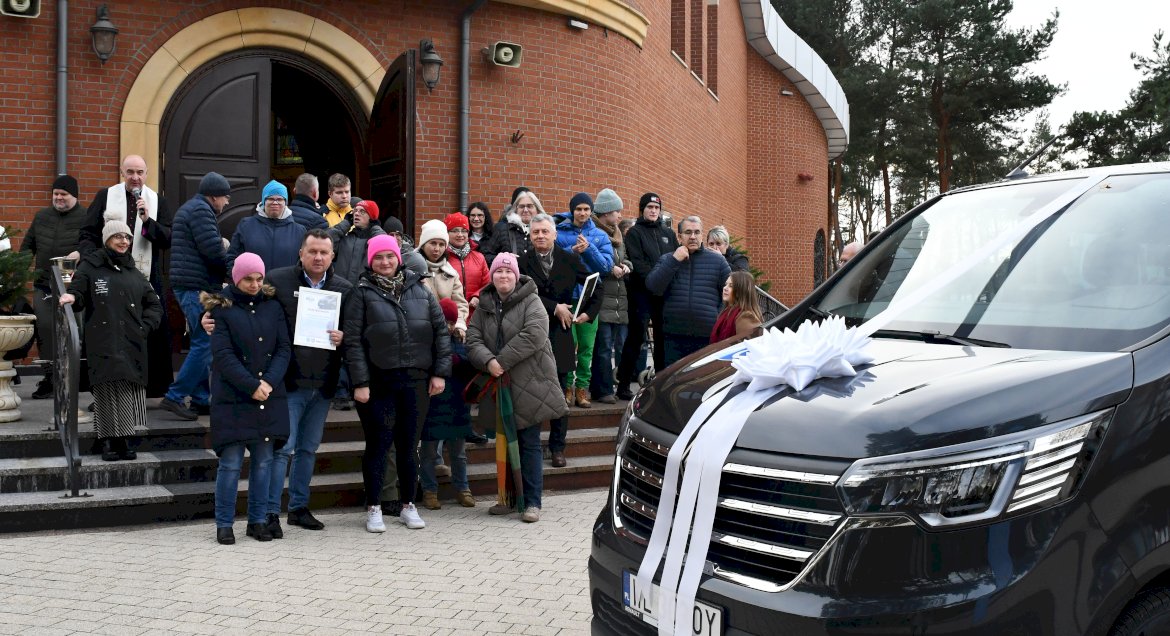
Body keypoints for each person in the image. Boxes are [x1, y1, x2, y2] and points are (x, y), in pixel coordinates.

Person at [344, 234, 450, 533]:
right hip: (378, 382)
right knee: (378, 445)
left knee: (408, 446)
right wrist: (360, 382)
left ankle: (408, 505)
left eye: (390, 256)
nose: (385, 262)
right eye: (379, 257)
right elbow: (352, 342)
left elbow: (440, 333)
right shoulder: (361, 293)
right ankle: (374, 507)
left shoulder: (420, 289)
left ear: (399, 258)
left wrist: (440, 372)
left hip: (416, 381)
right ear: (370, 261)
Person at [466, 252, 567, 523]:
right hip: (499, 383)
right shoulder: (485, 303)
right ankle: (509, 499)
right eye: (498, 271)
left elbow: (534, 334)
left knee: (528, 442)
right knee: (503, 441)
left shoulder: (531, 300)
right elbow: (473, 338)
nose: (504, 276)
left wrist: (500, 361)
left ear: (516, 275)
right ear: (492, 276)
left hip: (530, 381)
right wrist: (488, 361)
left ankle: (532, 502)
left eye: (508, 271)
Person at [265, 229, 352, 534]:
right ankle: (270, 512)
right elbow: (251, 308)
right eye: (312, 251)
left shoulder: (344, 289)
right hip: (289, 382)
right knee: (282, 449)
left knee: (308, 449)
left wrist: (344, 337)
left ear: (332, 257)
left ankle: (298, 508)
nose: (318, 257)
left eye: (323, 253)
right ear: (301, 253)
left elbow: (355, 331)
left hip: (324, 383)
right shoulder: (277, 280)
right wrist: (210, 317)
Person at [205, 252, 292, 545]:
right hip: (233, 398)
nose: (254, 285)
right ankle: (224, 523)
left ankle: (257, 521)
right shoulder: (221, 309)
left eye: (258, 279)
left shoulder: (273, 306)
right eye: (247, 279)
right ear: (236, 279)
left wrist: (268, 382)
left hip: (268, 395)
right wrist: (251, 385)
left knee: (263, 462)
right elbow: (223, 355)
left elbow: (283, 348)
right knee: (230, 463)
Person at [59, 220, 162, 461]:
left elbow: (154, 304)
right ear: (106, 239)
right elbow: (78, 291)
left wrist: (144, 326)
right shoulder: (91, 266)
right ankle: (107, 440)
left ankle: (124, 439)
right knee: (106, 388)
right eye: (118, 237)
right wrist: (72, 297)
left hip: (131, 340)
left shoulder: (133, 271)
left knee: (127, 387)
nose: (124, 241)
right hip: (103, 339)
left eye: (127, 237)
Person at [80, 155, 173, 397]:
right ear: (122, 173)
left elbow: (167, 238)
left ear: (147, 174)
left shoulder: (157, 201)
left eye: (140, 172)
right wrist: (93, 261)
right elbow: (88, 233)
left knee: (147, 328)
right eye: (130, 172)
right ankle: (106, 392)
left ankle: (146, 388)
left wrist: (147, 220)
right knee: (109, 333)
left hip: (143, 276)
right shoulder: (106, 196)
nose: (135, 177)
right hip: (108, 275)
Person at [519, 212, 600, 469]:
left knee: (559, 393)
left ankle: (557, 447)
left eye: (545, 231)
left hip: (561, 334)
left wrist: (587, 313)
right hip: (530, 334)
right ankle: (530, 447)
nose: (540, 236)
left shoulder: (569, 259)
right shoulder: (522, 262)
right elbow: (522, 293)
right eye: (536, 232)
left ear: (555, 234)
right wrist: (555, 307)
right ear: (530, 235)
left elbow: (596, 285)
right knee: (531, 392)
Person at [160, 172, 232, 421]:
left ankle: (201, 399)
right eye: (225, 197)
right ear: (214, 196)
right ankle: (175, 396)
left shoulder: (193, 208)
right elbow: (213, 250)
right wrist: (234, 270)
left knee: (201, 341)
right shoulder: (201, 211)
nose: (226, 202)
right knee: (205, 342)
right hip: (196, 287)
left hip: (190, 285)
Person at [23, 175, 86, 400]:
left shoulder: (86, 217)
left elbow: (95, 246)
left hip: (74, 287)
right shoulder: (41, 216)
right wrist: (20, 273)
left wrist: (80, 253)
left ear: (74, 196)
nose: (58, 197)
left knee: (73, 331)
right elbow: (27, 246)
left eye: (64, 194)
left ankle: (75, 378)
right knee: (44, 330)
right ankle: (50, 378)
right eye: (55, 194)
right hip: (44, 285)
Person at [646, 215, 731, 366]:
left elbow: (734, 292)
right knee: (674, 378)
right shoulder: (668, 259)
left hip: (707, 336)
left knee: (702, 377)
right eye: (688, 232)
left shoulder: (717, 261)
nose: (693, 236)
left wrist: (719, 318)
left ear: (702, 235)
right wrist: (674, 260)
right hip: (674, 336)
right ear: (679, 237)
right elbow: (653, 286)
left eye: (697, 232)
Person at [555, 193, 614, 409]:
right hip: (566, 297)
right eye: (578, 209)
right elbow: (553, 262)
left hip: (590, 299)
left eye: (586, 209)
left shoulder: (600, 235)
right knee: (567, 346)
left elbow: (606, 267)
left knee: (587, 346)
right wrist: (571, 251)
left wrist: (589, 249)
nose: (582, 213)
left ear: (591, 211)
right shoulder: (559, 233)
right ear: (572, 210)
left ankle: (582, 387)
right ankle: (567, 387)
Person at [617, 192, 677, 400]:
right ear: (642, 209)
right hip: (641, 294)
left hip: (663, 295)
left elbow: (674, 260)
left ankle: (660, 384)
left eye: (656, 208)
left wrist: (664, 281)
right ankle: (624, 384)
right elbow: (638, 263)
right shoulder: (634, 233)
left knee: (662, 339)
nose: (653, 211)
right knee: (635, 338)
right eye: (649, 207)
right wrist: (657, 278)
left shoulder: (668, 234)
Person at [418, 297, 475, 510]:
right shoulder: (425, 342)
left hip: (456, 406)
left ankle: (463, 488)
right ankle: (429, 491)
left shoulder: (461, 341)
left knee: (459, 453)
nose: (448, 326)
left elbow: (470, 365)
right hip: (432, 405)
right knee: (429, 453)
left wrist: (458, 361)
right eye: (445, 322)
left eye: (452, 322)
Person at [589, 189, 631, 404]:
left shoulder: (617, 234)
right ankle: (603, 390)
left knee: (615, 347)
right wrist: (610, 269)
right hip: (603, 300)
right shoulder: (594, 233)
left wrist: (626, 266)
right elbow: (591, 263)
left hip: (618, 300)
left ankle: (606, 386)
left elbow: (626, 258)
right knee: (603, 348)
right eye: (617, 211)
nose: (620, 215)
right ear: (606, 213)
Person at [226, 180, 306, 272]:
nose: (275, 202)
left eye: (280, 199)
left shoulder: (299, 231)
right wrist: (239, 278)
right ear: (264, 201)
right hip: (253, 281)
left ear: (285, 202)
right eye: (270, 199)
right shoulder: (246, 225)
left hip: (286, 281)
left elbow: (304, 264)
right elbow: (232, 258)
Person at [329, 199, 387, 284]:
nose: (356, 213)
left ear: (371, 218)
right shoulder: (345, 240)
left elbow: (384, 244)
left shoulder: (374, 241)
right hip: (340, 289)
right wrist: (346, 223)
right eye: (355, 211)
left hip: (365, 291)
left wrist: (375, 227)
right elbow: (325, 242)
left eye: (362, 212)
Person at [444, 212, 489, 317]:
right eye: (455, 230)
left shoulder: (479, 257)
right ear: (447, 233)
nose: (460, 235)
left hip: (475, 316)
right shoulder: (441, 258)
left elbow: (488, 284)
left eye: (464, 231)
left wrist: (478, 296)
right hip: (450, 316)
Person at [482, 189, 538, 263]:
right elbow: (485, 255)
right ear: (516, 209)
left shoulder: (544, 230)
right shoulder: (501, 228)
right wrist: (504, 259)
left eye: (529, 206)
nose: (525, 210)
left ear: (537, 209)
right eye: (521, 206)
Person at [710, 270, 764, 343]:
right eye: (726, 284)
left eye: (731, 286)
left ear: (741, 290)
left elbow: (752, 346)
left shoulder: (745, 317)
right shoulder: (726, 311)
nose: (725, 288)